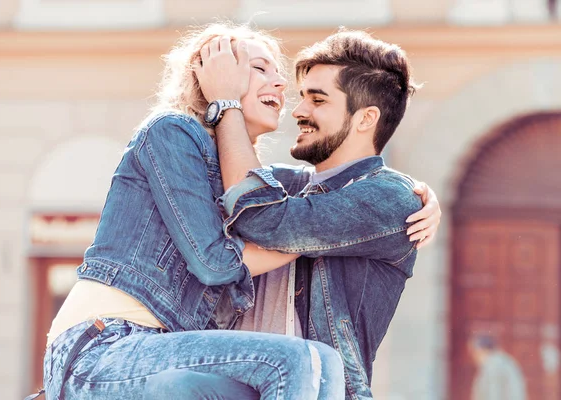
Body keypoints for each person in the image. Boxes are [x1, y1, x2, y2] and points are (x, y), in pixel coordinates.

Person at [27, 23, 440, 400]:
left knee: (308, 362)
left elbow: (274, 213)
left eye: (317, 99)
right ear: (209, 76)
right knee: (305, 360)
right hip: (110, 341)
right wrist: (224, 103)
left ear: (366, 118)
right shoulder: (175, 133)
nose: (292, 102)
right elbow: (229, 251)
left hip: (259, 380)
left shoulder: (380, 199)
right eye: (261, 69)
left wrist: (415, 196)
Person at [189, 29, 439, 399]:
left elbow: (263, 220)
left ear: (366, 118)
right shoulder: (285, 184)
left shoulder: (391, 199)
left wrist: (226, 104)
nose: (299, 111)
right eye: (302, 97)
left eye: (318, 100)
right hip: (234, 379)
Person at [468, 334, 527, 400]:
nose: (473, 357)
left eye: (474, 352)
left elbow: (493, 395)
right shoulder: (502, 361)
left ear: (482, 350)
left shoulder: (494, 365)